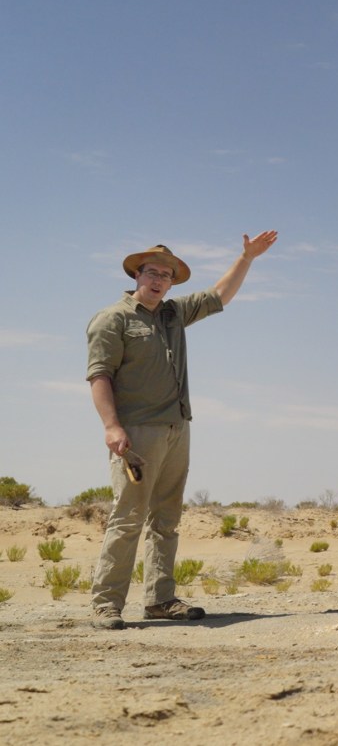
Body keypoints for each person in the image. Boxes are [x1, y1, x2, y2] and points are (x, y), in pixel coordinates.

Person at [85, 232, 278, 630]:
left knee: (166, 519)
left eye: (166, 275)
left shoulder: (174, 315)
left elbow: (219, 296)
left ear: (172, 282)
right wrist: (112, 426)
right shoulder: (113, 319)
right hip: (136, 433)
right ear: (136, 275)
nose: (158, 280)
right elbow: (99, 375)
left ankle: (159, 600)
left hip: (177, 429)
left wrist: (247, 258)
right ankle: (106, 604)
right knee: (127, 518)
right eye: (151, 272)